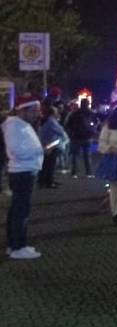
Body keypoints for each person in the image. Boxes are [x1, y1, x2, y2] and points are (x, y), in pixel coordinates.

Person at [4, 96, 44, 259]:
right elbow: (16, 151)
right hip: (22, 172)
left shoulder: (20, 125)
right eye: (34, 110)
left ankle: (14, 244)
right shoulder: (15, 127)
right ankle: (18, 247)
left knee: (17, 210)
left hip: (24, 171)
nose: (37, 114)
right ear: (23, 110)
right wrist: (40, 151)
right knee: (21, 211)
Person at [64, 98, 97, 178]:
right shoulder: (90, 113)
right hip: (87, 136)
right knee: (87, 156)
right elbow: (95, 123)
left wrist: (71, 133)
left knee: (75, 155)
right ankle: (88, 173)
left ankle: (74, 173)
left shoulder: (75, 113)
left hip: (76, 137)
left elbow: (68, 124)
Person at [38, 104, 67, 188]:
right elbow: (61, 131)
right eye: (56, 111)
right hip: (52, 145)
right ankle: (49, 181)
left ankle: (43, 180)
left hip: (46, 144)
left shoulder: (45, 120)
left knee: (45, 164)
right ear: (52, 113)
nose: (58, 112)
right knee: (50, 164)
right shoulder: (51, 121)